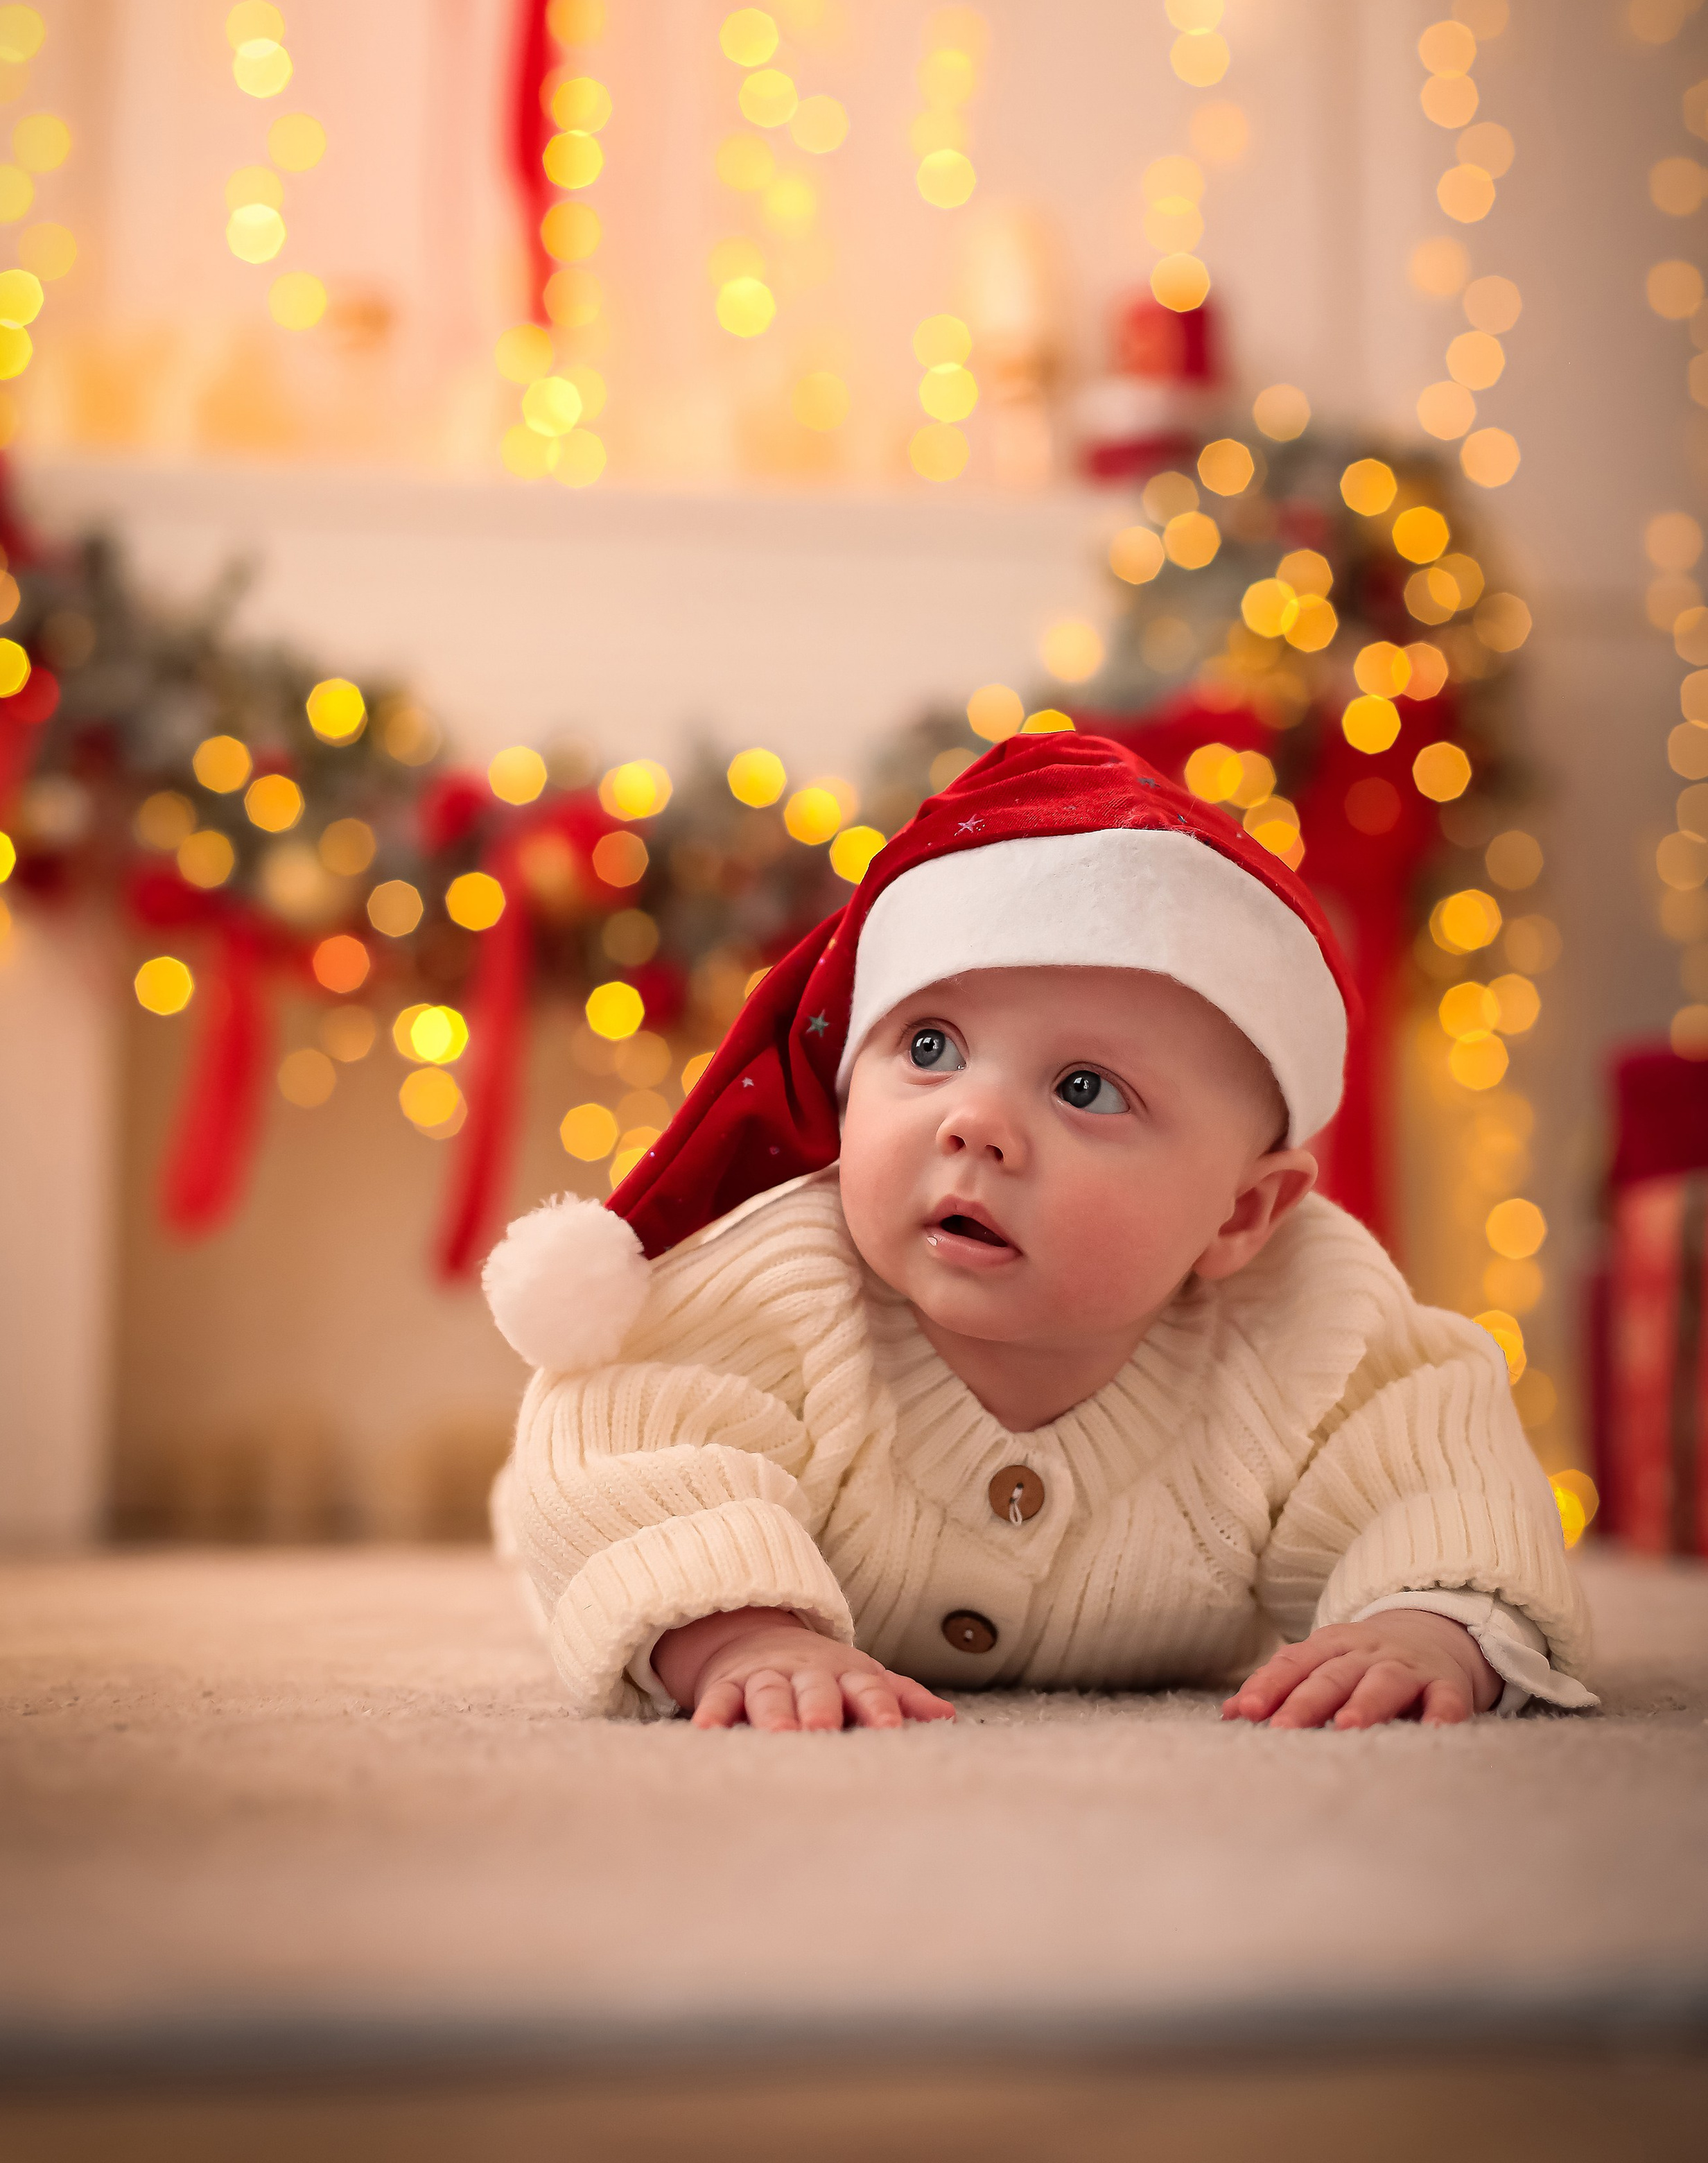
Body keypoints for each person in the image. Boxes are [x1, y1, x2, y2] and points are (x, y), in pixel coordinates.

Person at [483, 731, 1593, 1733]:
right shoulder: (776, 1286)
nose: (976, 1122)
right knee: (562, 1523)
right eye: (928, 1047)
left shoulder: (1308, 1317)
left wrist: (1429, 1622)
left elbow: (1438, 1465)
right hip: (724, 1551)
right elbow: (623, 1452)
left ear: (1243, 1212)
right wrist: (741, 1634)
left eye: (1084, 1087)